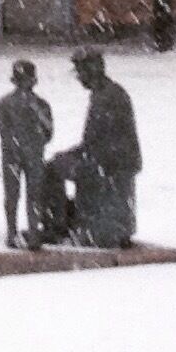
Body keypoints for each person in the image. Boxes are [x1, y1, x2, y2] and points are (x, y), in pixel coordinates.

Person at [68, 48, 141, 248]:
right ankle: (81, 225)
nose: (78, 78)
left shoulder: (109, 96)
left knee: (67, 171)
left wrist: (82, 156)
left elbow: (101, 137)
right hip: (108, 157)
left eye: (80, 72)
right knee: (61, 165)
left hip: (113, 162)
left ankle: (94, 230)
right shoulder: (104, 93)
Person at [0, 58, 54, 249]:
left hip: (24, 154)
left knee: (29, 195)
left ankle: (30, 234)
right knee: (17, 195)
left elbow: (48, 132)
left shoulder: (37, 105)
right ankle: (14, 234)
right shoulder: (7, 104)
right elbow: (5, 131)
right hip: (21, 154)